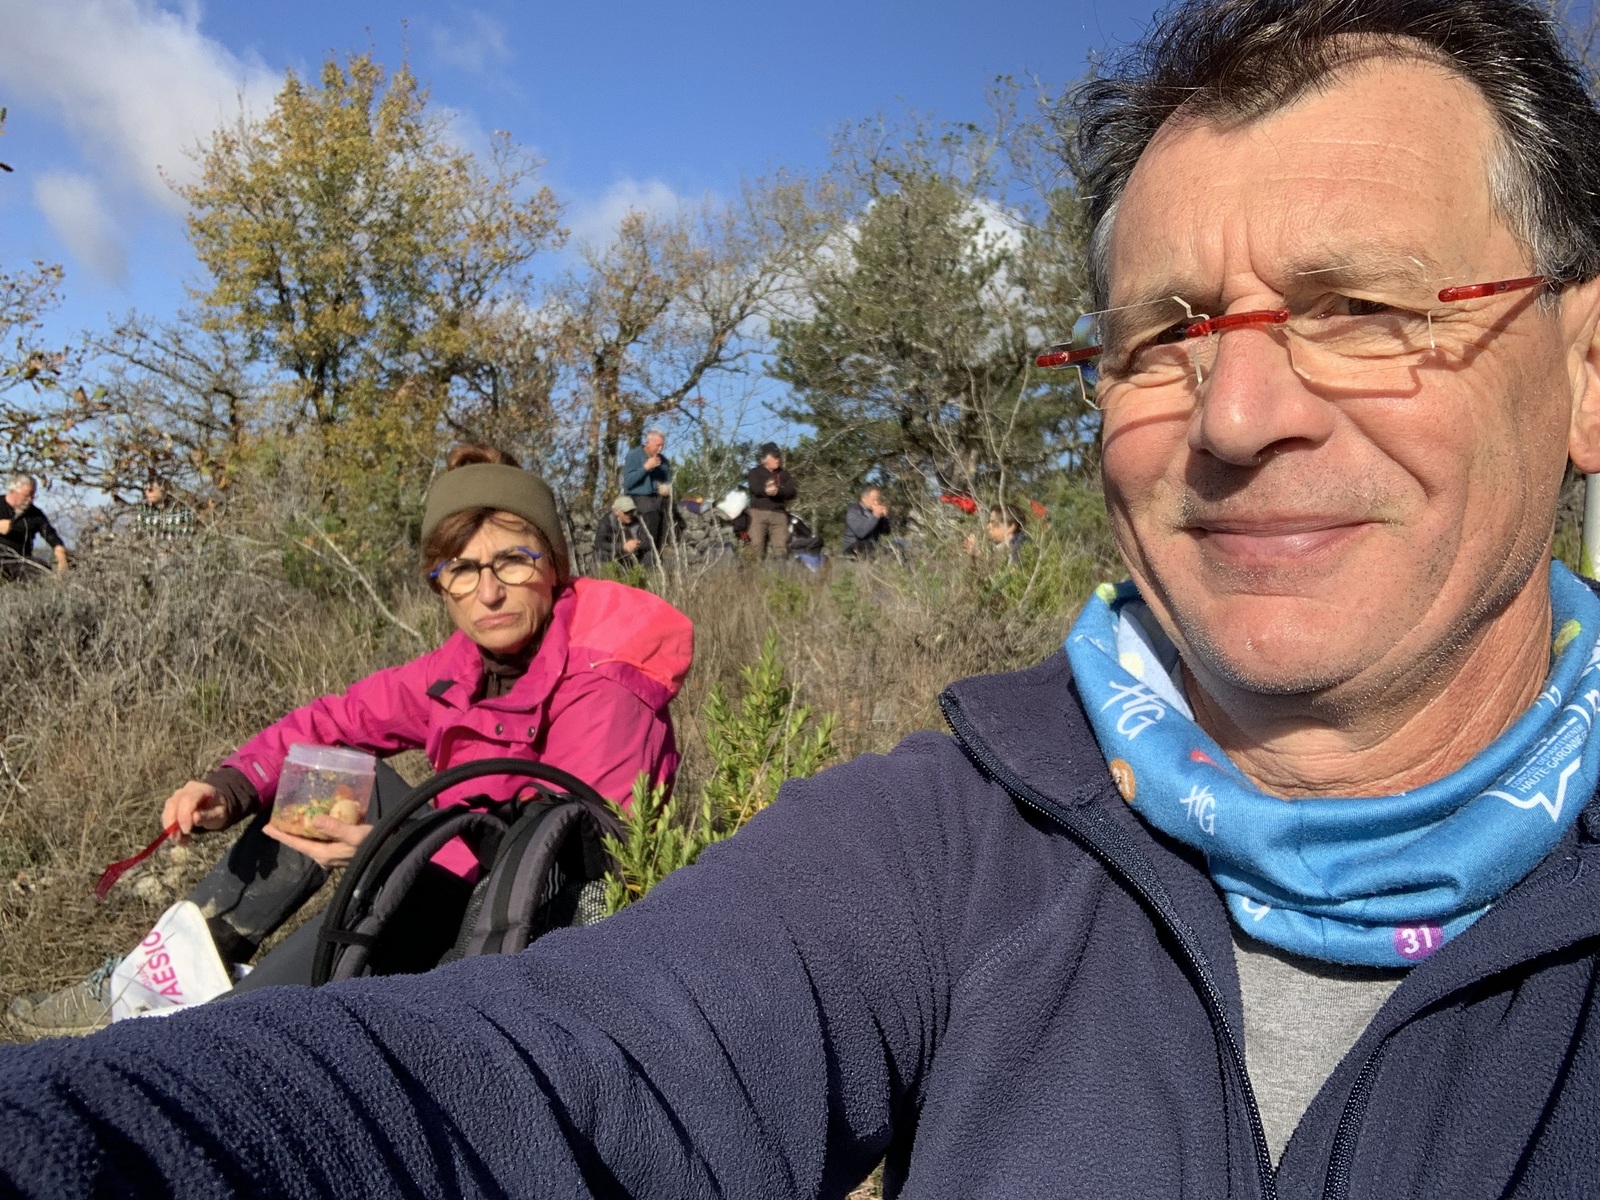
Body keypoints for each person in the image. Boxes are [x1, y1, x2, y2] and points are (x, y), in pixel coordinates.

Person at [9, 1, 1600, 1194]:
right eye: (1162, 337)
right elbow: (572, 1068)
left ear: (1586, 368)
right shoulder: (958, 836)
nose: (1237, 414)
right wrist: (233, 795)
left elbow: (585, 826)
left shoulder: (608, 665)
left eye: (1366, 306)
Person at [8, 444, 692, 1037]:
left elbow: (567, 863)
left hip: (527, 933)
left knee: (240, 1028)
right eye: (461, 569)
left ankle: (213, 1024)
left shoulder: (605, 678)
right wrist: (233, 784)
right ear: (441, 585)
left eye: (513, 561)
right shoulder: (462, 666)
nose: (488, 592)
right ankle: (156, 980)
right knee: (325, 769)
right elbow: (333, 722)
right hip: (454, 870)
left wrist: (387, 852)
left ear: (555, 565)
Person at [0, 473, 67, 578]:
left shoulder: (35, 514)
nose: (30, 500)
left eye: (32, 496)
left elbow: (51, 535)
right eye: (26, 496)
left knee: (43, 570)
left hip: (20, 562)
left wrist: (61, 555)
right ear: (13, 491)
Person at [620, 428, 672, 557]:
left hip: (656, 497)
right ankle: (646, 551)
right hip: (637, 495)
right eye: (658, 445)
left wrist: (666, 489)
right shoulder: (634, 455)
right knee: (652, 514)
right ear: (648, 443)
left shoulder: (663, 461)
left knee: (669, 511)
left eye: (662, 445)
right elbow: (628, 482)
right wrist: (646, 468)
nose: (660, 449)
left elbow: (666, 481)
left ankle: (664, 547)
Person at [745, 442, 796, 561]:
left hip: (779, 515)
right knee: (755, 545)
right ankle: (754, 570)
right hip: (758, 513)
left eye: (779, 456)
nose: (778, 459)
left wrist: (778, 491)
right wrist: (767, 491)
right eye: (775, 457)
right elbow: (755, 489)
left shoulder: (784, 474)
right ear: (765, 458)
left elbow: (792, 492)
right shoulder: (754, 472)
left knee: (782, 547)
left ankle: (781, 572)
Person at [129, 479, 196, 544]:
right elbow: (134, 535)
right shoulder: (142, 510)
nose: (148, 492)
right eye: (146, 489)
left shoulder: (182, 510)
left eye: (151, 489)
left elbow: (187, 536)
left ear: (164, 490)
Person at [592, 494, 645, 567]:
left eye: (631, 511)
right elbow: (599, 543)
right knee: (601, 554)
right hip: (613, 556)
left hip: (631, 557)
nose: (630, 514)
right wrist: (623, 547)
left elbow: (644, 540)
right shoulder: (606, 523)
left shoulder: (637, 522)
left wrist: (637, 544)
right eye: (626, 512)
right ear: (616, 511)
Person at [840, 486, 890, 557]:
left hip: (872, 546)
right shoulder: (854, 512)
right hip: (853, 547)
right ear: (864, 498)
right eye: (873, 500)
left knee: (892, 550)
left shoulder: (873, 512)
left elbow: (886, 532)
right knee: (867, 546)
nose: (876, 503)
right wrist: (875, 516)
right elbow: (861, 533)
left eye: (877, 500)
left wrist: (884, 518)